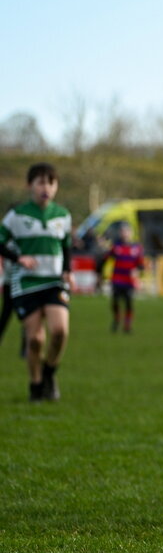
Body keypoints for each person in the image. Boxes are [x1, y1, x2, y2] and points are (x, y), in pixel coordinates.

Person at [0, 163, 73, 402]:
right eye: (41, 182)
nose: (46, 188)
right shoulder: (17, 216)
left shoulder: (63, 215)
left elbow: (66, 245)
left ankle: (50, 373)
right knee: (35, 340)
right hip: (26, 283)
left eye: (51, 183)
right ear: (29, 185)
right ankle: (36, 384)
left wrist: (67, 269)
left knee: (60, 332)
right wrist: (18, 258)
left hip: (54, 282)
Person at [97, 222, 145, 333]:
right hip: (117, 279)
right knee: (115, 302)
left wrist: (137, 271)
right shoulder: (116, 246)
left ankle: (127, 325)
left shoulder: (136, 248)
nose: (125, 234)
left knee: (129, 303)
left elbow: (141, 265)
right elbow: (105, 259)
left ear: (131, 233)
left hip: (129, 281)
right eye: (123, 231)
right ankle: (116, 320)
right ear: (120, 233)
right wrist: (99, 274)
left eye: (127, 231)